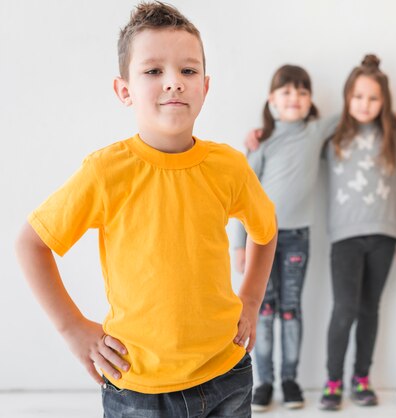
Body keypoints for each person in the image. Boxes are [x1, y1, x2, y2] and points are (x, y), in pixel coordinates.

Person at [15, 3, 277, 417]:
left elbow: (266, 229)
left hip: (228, 374)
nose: (174, 82)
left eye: (188, 71)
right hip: (137, 387)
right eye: (154, 71)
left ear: (205, 88)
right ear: (125, 90)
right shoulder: (105, 172)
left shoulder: (229, 166)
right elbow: (31, 244)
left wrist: (251, 299)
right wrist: (73, 329)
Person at [238, 61, 396, 412]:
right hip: (287, 238)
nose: (364, 103)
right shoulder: (287, 139)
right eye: (357, 96)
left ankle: (329, 380)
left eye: (302, 93)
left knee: (318, 310)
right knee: (270, 309)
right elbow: (240, 193)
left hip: (351, 236)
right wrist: (235, 244)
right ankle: (276, 382)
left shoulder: (324, 130)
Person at [318, 54, 396, 411]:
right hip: (345, 236)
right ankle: (332, 382)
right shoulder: (332, 132)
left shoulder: (394, 133)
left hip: (385, 234)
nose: (365, 105)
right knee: (344, 309)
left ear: (385, 102)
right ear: (347, 97)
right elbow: (297, 133)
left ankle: (362, 377)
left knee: (369, 309)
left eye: (374, 99)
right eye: (358, 97)